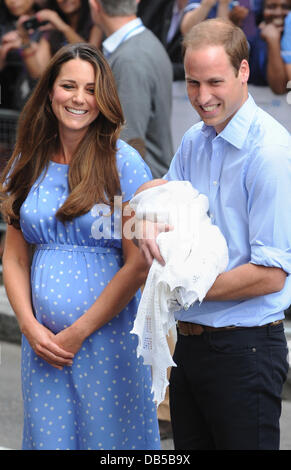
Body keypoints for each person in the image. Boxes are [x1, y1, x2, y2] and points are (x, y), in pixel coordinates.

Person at [135, 18, 291, 450]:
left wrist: (180, 287)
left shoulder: (271, 153)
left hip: (247, 349)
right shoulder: (192, 140)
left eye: (215, 82)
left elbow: (270, 275)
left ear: (244, 72)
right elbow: (159, 205)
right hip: (189, 344)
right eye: (192, 82)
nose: (203, 97)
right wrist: (143, 219)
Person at [0, 42, 160, 450]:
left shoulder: (124, 163)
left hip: (108, 343)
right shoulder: (27, 159)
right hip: (44, 347)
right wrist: (29, 327)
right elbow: (15, 257)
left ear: (103, 98)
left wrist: (79, 331)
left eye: (90, 89)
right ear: (50, 91)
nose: (78, 98)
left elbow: (138, 264)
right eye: (68, 86)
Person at [89, 0, 174, 179]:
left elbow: (128, 141)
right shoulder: (139, 46)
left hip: (139, 190)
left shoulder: (131, 59)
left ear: (94, 5)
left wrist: (120, 203)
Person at [15, 0, 103, 79]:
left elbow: (90, 55)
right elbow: (37, 73)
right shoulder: (52, 31)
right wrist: (25, 39)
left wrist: (61, 26)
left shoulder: (95, 23)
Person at [248, 0, 291, 94]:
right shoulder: (253, 42)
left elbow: (280, 88)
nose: (278, 13)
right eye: (271, 7)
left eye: (285, 7)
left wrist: (273, 41)